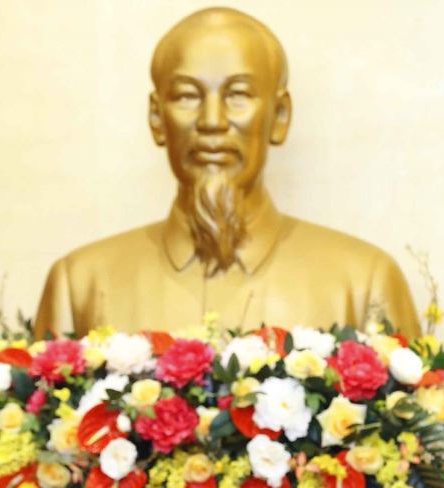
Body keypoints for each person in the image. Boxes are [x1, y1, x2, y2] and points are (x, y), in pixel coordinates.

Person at [35, 6, 420, 338]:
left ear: (279, 116)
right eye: (187, 95)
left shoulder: (363, 283)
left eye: (238, 95)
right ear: (156, 117)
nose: (212, 121)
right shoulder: (81, 284)